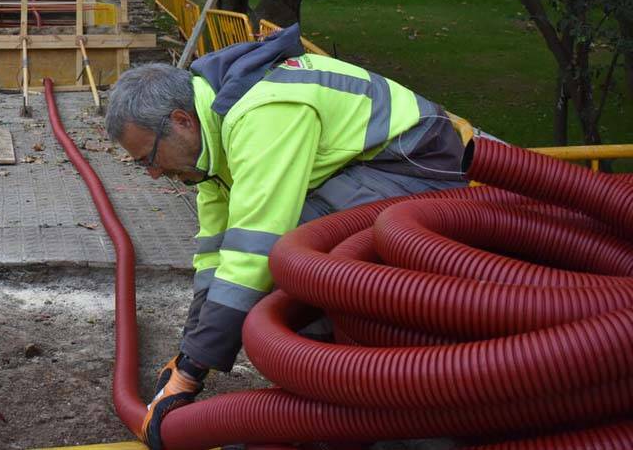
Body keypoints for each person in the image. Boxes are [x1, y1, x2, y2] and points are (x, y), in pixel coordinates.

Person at [104, 25, 470, 449]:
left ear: (182, 121)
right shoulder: (209, 146)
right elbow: (216, 256)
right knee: (280, 254)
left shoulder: (263, 110)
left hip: (417, 177)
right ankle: (321, 390)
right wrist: (187, 354)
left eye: (148, 157)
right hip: (368, 184)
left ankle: (375, 390)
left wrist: (191, 372)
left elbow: (252, 251)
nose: (151, 173)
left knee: (287, 249)